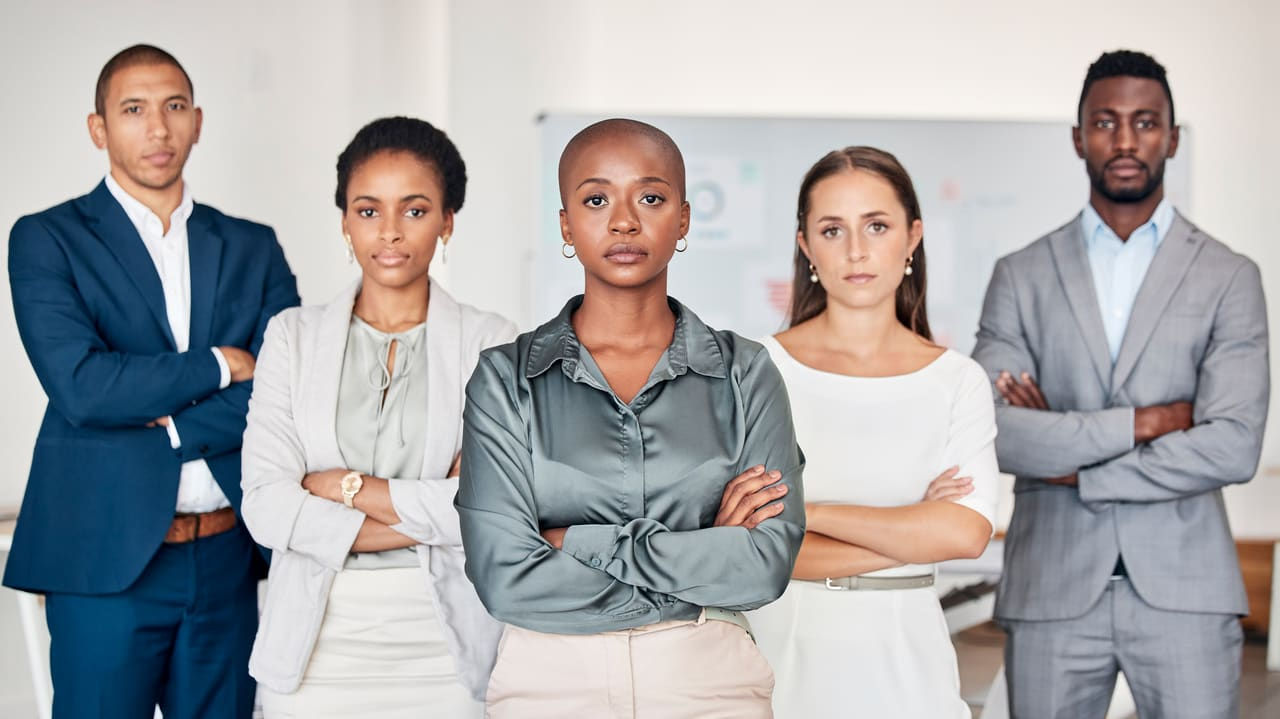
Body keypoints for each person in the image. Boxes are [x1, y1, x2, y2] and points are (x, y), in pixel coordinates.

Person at [456, 118, 805, 718]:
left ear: (685, 219)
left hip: (709, 687)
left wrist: (573, 543)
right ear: (566, 223)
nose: (624, 220)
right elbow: (504, 576)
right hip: (548, 686)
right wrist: (703, 549)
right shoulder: (504, 378)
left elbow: (763, 567)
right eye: (596, 200)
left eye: (650, 197)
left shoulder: (747, 372)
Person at [3, 44, 299, 718]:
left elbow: (286, 391)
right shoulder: (47, 239)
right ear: (98, 128)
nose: (158, 128)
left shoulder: (252, 245)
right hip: (103, 561)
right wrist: (222, 365)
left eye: (173, 107)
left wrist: (170, 425)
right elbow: (84, 386)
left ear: (197, 120)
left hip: (226, 555)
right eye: (133, 109)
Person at [972, 50, 1268, 719]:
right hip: (1051, 587)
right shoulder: (1020, 274)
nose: (1127, 139)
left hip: (1187, 592)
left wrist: (1078, 464)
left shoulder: (1229, 276)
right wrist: (1148, 421)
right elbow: (998, 430)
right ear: (1079, 136)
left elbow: (1233, 446)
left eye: (1145, 121)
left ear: (1172, 136)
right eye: (1106, 122)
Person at [240, 117, 515, 717]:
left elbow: (495, 507)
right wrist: (439, 510)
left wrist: (346, 489)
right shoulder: (292, 337)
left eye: (414, 211)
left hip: (445, 645)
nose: (389, 232)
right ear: (344, 220)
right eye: (368, 211)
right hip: (313, 648)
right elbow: (265, 504)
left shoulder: (490, 343)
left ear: (447, 222)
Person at [745, 146, 997, 718]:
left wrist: (803, 511)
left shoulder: (957, 380)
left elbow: (964, 535)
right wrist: (911, 531)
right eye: (832, 229)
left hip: (909, 672)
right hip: (779, 663)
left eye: (876, 226)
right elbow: (753, 551)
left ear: (913, 237)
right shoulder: (757, 368)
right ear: (806, 245)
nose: (856, 250)